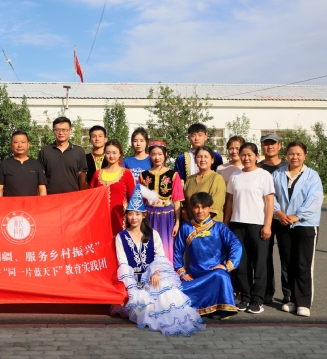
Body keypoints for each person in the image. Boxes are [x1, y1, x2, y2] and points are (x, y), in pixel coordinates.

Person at [115, 184, 205, 336]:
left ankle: (174, 321)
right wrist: (132, 289)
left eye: (137, 214)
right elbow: (122, 262)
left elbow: (160, 256)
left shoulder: (153, 234)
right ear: (126, 216)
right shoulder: (121, 236)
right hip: (132, 280)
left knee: (164, 288)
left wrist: (155, 272)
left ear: (144, 215)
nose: (134, 218)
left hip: (152, 275)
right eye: (130, 214)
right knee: (141, 303)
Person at [273, 141, 323, 317]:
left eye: (298, 154)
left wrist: (297, 216)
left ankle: (303, 302)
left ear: (305, 156)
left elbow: (315, 199)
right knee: (288, 262)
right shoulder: (278, 174)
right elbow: (271, 196)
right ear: (286, 155)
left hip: (305, 224)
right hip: (283, 223)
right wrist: (278, 212)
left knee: (303, 263)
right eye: (291, 153)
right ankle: (291, 299)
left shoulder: (312, 176)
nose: (294, 157)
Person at [224, 142, 275, 314]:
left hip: (258, 224)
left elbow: (269, 202)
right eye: (243, 155)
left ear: (256, 156)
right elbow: (230, 201)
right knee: (241, 263)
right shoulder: (235, 175)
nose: (246, 158)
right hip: (237, 223)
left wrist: (267, 225)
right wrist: (226, 223)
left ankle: (257, 300)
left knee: (259, 263)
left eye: (249, 155)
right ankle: (245, 297)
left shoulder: (264, 175)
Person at [174, 192, 243, 320]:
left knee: (221, 276)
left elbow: (236, 245)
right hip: (195, 276)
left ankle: (218, 307)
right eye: (196, 207)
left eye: (203, 207)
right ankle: (209, 308)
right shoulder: (186, 227)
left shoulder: (220, 227)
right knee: (173, 292)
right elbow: (177, 251)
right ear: (192, 208)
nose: (200, 211)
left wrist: (227, 266)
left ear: (210, 208)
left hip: (214, 274)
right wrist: (182, 272)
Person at [138, 141, 184, 264]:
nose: (157, 157)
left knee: (165, 245)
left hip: (166, 215)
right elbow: (140, 201)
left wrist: (177, 222)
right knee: (149, 243)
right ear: (149, 155)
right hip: (149, 215)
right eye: (153, 154)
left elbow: (177, 200)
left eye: (160, 154)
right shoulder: (143, 176)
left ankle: (166, 272)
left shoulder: (173, 175)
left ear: (165, 154)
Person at [257, 132, 289, 305]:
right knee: (264, 257)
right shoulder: (257, 168)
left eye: (273, 143)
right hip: (263, 218)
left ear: (279, 146)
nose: (270, 146)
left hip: (283, 218)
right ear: (262, 146)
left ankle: (288, 293)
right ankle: (267, 291)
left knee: (286, 256)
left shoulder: (286, 166)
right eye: (266, 143)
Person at [90, 140, 136, 236]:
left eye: (114, 153)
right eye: (108, 153)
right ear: (104, 154)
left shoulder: (126, 173)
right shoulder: (97, 174)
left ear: (120, 154)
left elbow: (133, 197)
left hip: (119, 217)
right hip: (100, 216)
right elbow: (91, 197)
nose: (111, 156)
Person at [38, 117, 88, 194]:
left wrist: (83, 196)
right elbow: (41, 179)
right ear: (53, 131)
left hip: (73, 196)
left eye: (64, 130)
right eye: (57, 130)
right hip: (51, 196)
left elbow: (82, 178)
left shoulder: (79, 151)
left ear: (70, 131)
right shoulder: (45, 151)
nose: (61, 133)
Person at [0, 131, 47, 197]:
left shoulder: (36, 165)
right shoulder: (4, 164)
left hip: (31, 203)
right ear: (11, 145)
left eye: (23, 142)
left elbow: (42, 189)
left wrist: (43, 203)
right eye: (16, 142)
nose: (20, 145)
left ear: (28, 145)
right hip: (11, 203)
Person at [183, 146, 227, 222]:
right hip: (191, 225)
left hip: (211, 224)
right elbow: (183, 203)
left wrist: (199, 224)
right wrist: (188, 221)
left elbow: (216, 206)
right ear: (195, 160)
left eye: (206, 157)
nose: (202, 160)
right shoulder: (190, 179)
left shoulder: (217, 178)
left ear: (212, 160)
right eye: (199, 157)